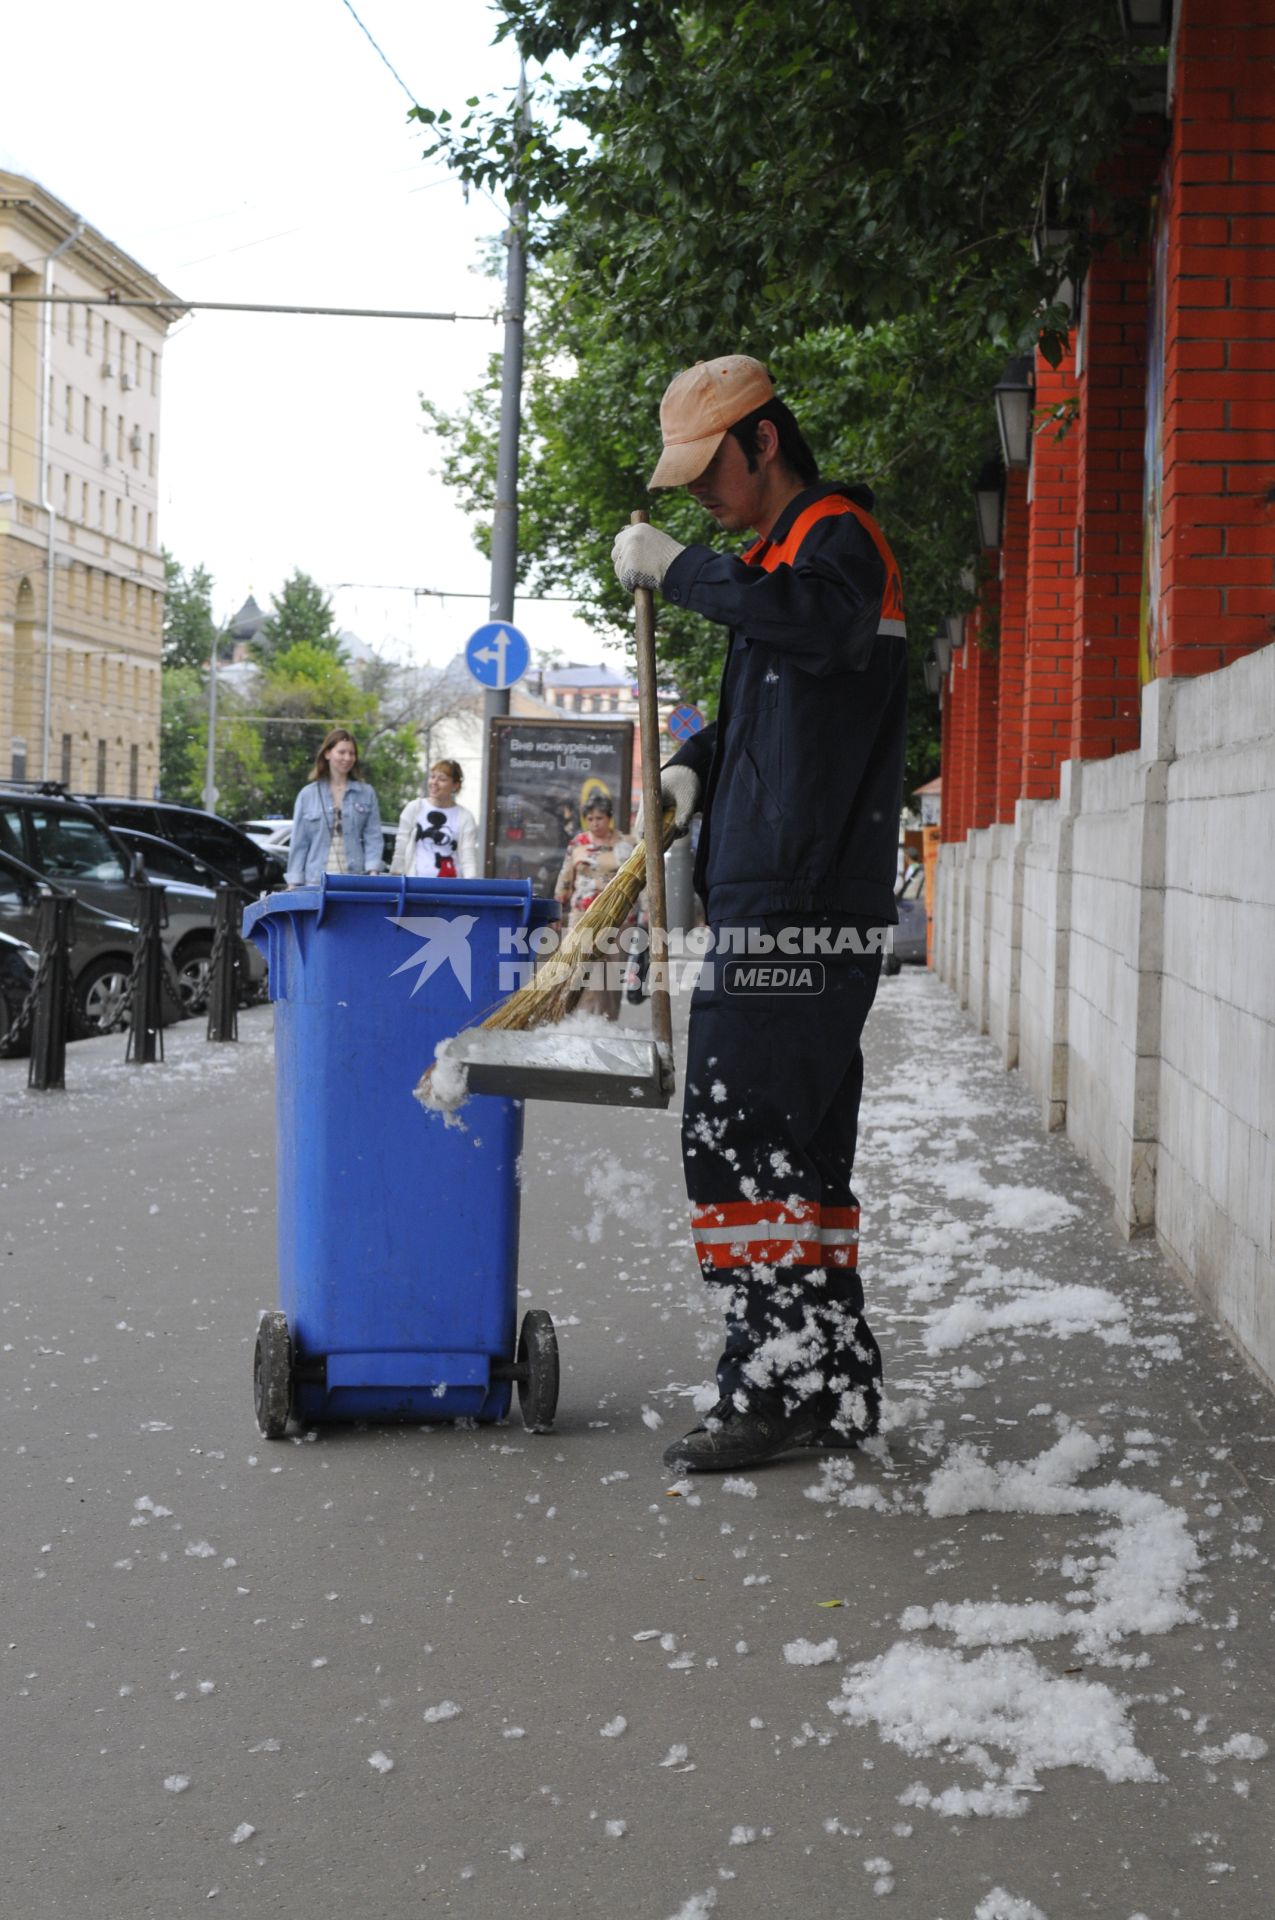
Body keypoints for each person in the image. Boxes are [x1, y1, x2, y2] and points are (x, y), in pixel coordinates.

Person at [611, 353, 909, 1474]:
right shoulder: (775, 561)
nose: (695, 491)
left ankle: (775, 1387)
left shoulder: (838, 544)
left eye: (708, 469)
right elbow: (766, 719)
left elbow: (824, 631)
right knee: (798, 1155)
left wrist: (684, 572)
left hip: (798, 909)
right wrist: (692, 773)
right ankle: (827, 1386)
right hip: (771, 894)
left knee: (737, 1135)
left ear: (765, 441)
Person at [553, 793, 634, 1021]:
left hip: (618, 914)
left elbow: (640, 880)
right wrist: (558, 906)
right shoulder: (578, 843)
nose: (594, 823)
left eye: (599, 818)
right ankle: (584, 1020)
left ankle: (609, 1020)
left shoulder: (626, 844)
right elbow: (565, 877)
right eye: (590, 819)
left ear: (609, 818)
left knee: (612, 972)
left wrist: (646, 911)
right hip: (583, 913)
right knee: (583, 969)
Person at [285, 728, 384, 887]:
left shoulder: (366, 793)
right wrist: (294, 883)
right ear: (327, 753)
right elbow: (299, 842)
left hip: (355, 882)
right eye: (342, 752)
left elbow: (373, 837)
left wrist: (373, 871)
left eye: (352, 753)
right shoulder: (307, 795)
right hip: (315, 882)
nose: (347, 758)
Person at [391, 759, 479, 879]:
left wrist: (471, 885)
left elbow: (468, 857)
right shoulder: (414, 808)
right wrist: (395, 875)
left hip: (450, 889)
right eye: (432, 777)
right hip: (415, 886)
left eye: (442, 779)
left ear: (455, 785)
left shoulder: (465, 817)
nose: (434, 782)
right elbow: (401, 846)